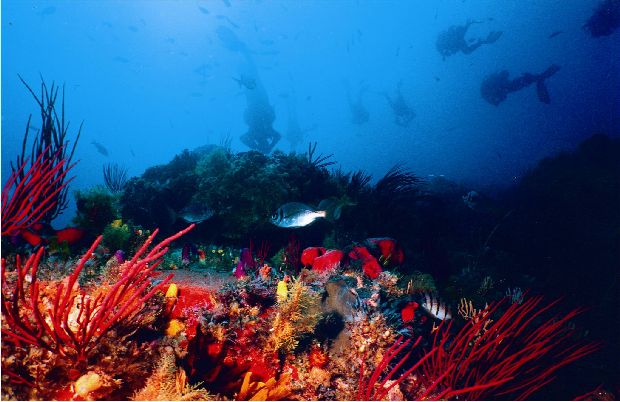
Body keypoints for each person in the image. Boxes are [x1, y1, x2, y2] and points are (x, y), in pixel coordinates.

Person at [480, 65, 561, 106]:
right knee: (520, 83)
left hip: (506, 87)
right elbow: (500, 99)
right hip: (505, 87)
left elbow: (501, 97)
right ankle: (537, 77)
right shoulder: (491, 87)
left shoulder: (495, 84)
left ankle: (537, 77)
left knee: (521, 83)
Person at [436, 20, 503, 59]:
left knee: (466, 50)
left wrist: (445, 53)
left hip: (457, 39)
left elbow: (446, 50)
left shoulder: (442, 45)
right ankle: (481, 39)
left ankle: (481, 40)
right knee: (466, 49)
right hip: (458, 39)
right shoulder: (442, 46)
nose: (450, 54)